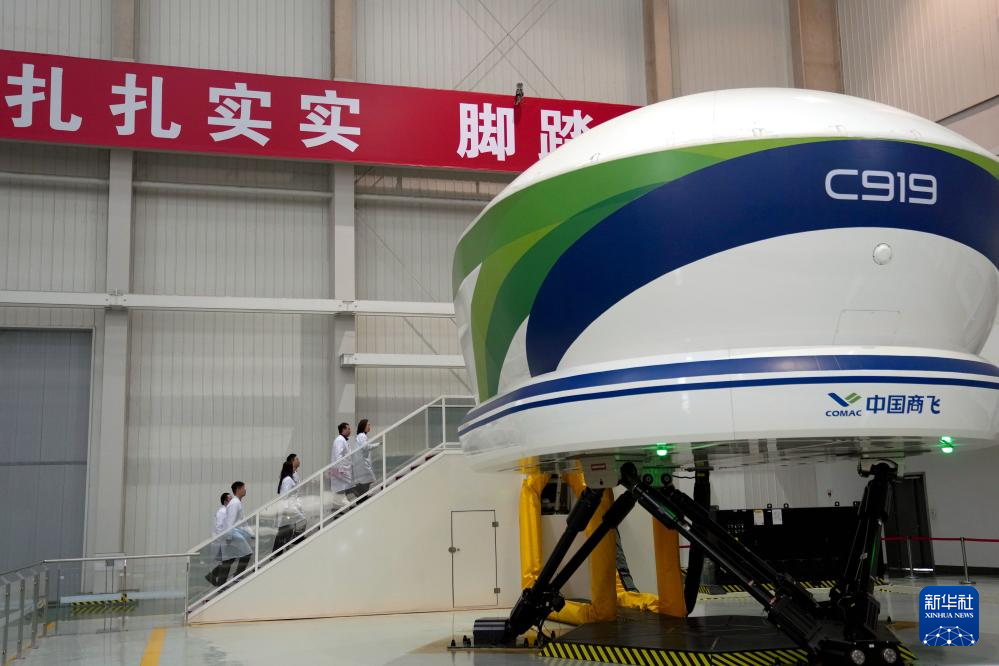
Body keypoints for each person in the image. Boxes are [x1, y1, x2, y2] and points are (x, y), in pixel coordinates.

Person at [218, 481, 253, 583]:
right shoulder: (234, 503)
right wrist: (228, 538)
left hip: (233, 534)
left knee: (228, 561)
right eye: (244, 488)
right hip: (232, 535)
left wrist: (251, 534)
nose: (245, 489)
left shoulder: (236, 502)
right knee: (247, 553)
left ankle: (221, 585)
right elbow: (230, 521)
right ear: (238, 489)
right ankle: (237, 577)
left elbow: (242, 521)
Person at [273, 461, 306, 555]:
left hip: (288, 507)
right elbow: (285, 496)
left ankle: (278, 552)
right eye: (293, 467)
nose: (294, 469)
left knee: (284, 530)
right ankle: (295, 540)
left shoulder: (287, 479)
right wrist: (286, 510)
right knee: (302, 520)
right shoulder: (287, 480)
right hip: (288, 508)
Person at [349, 419, 380, 500]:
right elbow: (365, 447)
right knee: (368, 479)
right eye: (368, 425)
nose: (370, 426)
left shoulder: (361, 436)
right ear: (363, 426)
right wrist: (378, 444)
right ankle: (360, 495)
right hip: (362, 463)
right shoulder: (362, 436)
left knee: (366, 480)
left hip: (361, 462)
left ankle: (361, 497)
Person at [205, 492, 231, 586]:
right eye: (230, 499)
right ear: (225, 501)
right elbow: (219, 527)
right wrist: (227, 538)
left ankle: (214, 577)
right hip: (222, 541)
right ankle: (220, 582)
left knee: (227, 561)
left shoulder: (226, 511)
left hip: (224, 540)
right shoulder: (222, 511)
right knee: (227, 561)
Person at [329, 422, 353, 496]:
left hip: (343, 470)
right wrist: (341, 470)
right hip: (341, 470)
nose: (350, 431)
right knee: (342, 490)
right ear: (343, 429)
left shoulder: (343, 440)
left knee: (342, 490)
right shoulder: (340, 440)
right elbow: (338, 456)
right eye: (348, 429)